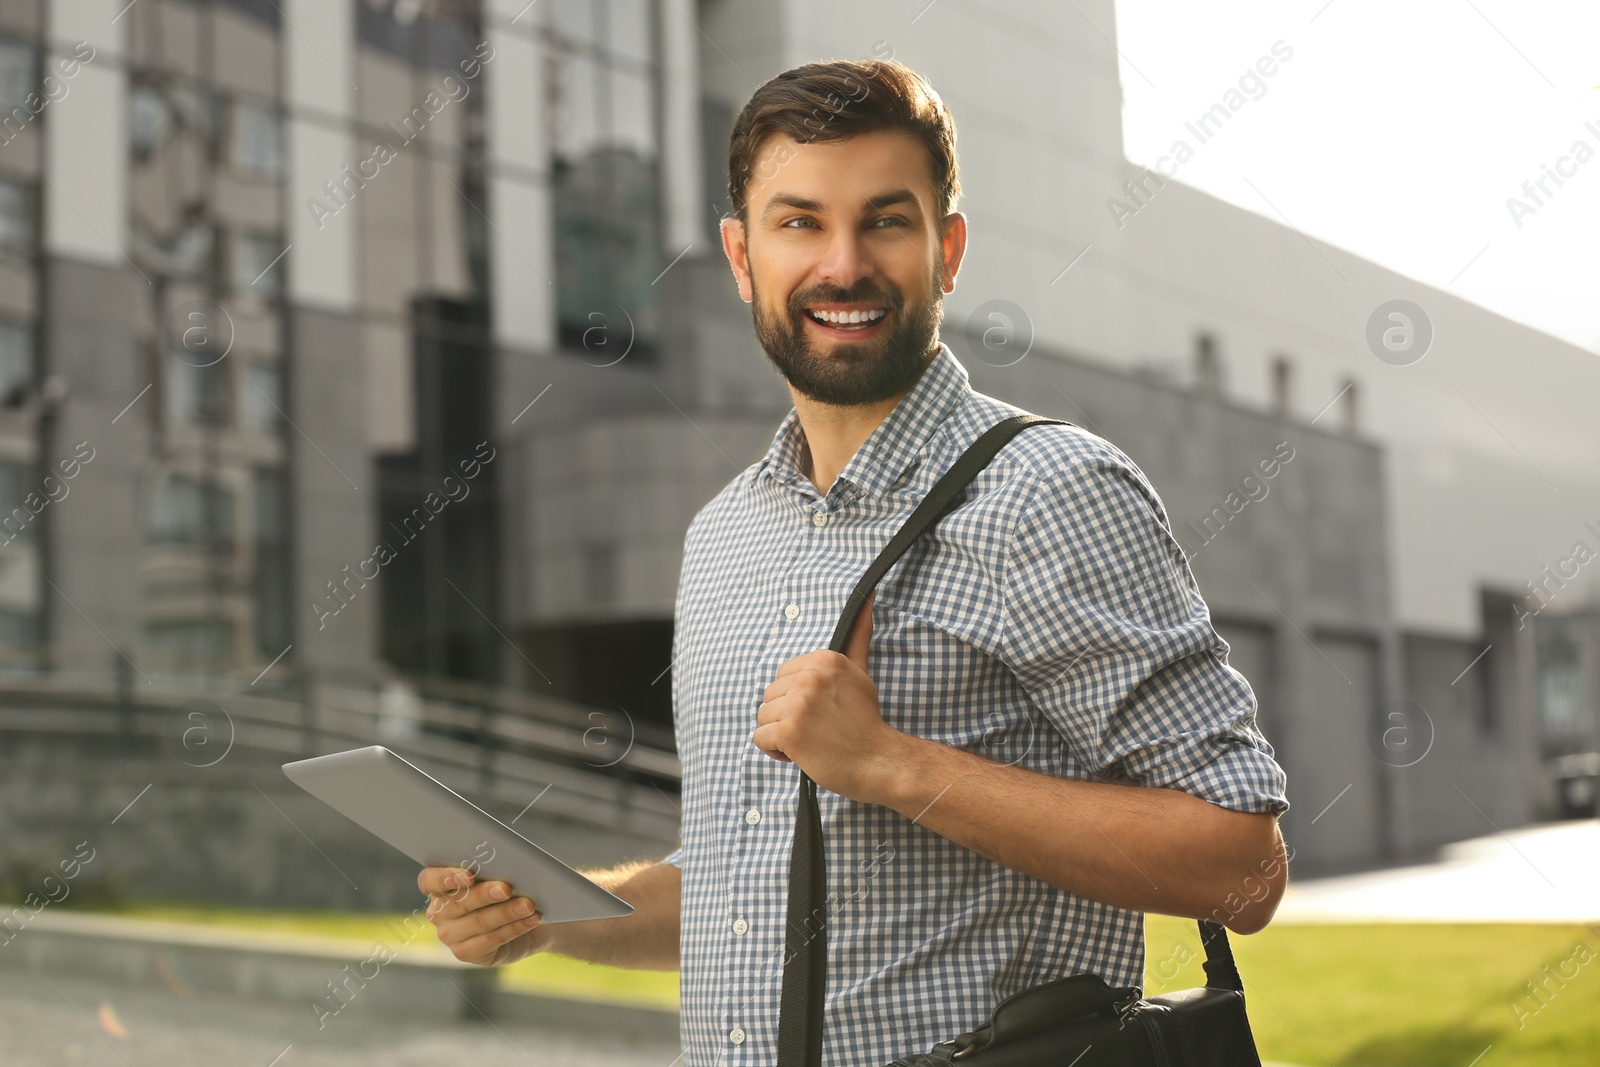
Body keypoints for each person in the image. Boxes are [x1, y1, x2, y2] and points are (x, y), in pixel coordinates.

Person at [421, 57, 1290, 1066]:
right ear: (742, 258)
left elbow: (1242, 867)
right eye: (799, 223)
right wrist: (545, 913)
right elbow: (740, 895)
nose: (842, 265)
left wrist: (890, 764)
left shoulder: (1051, 491)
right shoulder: (723, 536)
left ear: (947, 250)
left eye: (885, 219)